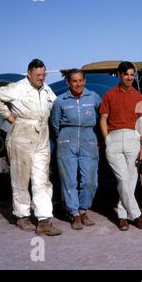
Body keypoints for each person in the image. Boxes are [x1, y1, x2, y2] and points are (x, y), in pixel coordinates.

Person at [0, 58, 62, 235]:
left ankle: (44, 220)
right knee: (21, 178)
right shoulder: (17, 88)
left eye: (43, 75)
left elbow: (56, 105)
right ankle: (22, 216)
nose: (41, 78)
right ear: (29, 73)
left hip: (42, 135)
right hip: (21, 134)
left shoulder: (46, 89)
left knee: (42, 179)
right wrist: (8, 115)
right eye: (38, 75)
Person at [99, 61, 142, 231]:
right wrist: (107, 139)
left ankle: (122, 216)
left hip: (132, 139)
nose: (129, 77)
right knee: (122, 178)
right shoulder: (109, 95)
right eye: (126, 74)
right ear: (119, 75)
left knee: (130, 180)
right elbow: (103, 119)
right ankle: (136, 215)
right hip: (113, 138)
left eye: (132, 74)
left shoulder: (139, 97)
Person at [50, 69, 101, 230]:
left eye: (80, 80)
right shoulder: (60, 101)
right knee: (69, 180)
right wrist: (64, 137)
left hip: (88, 139)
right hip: (67, 140)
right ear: (68, 82)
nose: (78, 84)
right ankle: (74, 213)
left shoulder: (93, 97)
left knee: (90, 181)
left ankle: (84, 209)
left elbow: (102, 116)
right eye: (74, 81)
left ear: (84, 81)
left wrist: (96, 138)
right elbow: (55, 123)